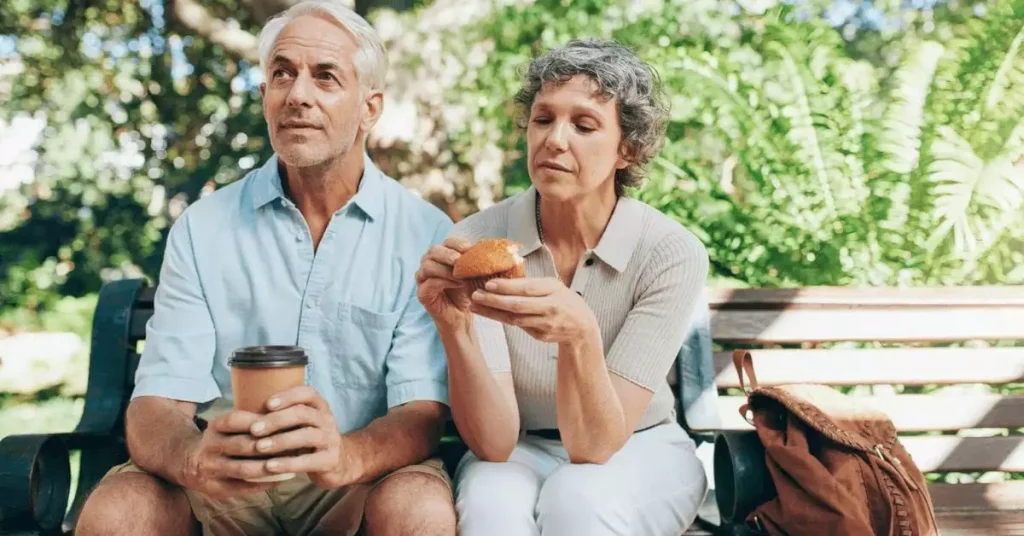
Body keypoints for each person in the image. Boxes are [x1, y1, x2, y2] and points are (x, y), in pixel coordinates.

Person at [76, 2, 457, 535]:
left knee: (419, 507)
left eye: (326, 77)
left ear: (370, 109)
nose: (298, 94)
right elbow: (157, 401)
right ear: (264, 97)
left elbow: (421, 412)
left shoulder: (425, 232)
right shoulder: (203, 226)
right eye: (282, 73)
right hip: (217, 481)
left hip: (353, 476)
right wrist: (196, 458)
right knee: (121, 512)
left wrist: (345, 456)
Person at [416, 39, 711, 535]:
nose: (555, 139)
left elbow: (594, 448)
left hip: (640, 444)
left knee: (577, 499)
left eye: (584, 125)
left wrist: (580, 336)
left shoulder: (670, 252)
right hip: (521, 446)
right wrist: (455, 328)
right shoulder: (476, 241)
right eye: (543, 118)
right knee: (492, 508)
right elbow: (494, 443)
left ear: (628, 149)